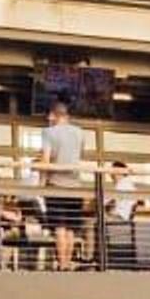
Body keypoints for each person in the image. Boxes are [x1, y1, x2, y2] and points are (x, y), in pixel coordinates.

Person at [36, 96, 87, 269]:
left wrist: (41, 184)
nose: (48, 119)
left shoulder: (48, 132)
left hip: (56, 185)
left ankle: (62, 264)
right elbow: (79, 156)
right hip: (76, 186)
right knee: (71, 229)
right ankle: (68, 263)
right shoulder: (80, 133)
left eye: (49, 116)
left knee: (59, 228)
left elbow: (45, 160)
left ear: (53, 115)